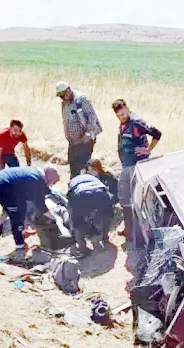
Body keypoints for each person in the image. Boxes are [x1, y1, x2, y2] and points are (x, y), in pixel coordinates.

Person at [112, 99, 161, 266]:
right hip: (126, 166)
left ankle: (137, 238)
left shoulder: (136, 122)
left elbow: (157, 133)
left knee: (135, 202)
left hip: (136, 167)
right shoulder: (124, 124)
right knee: (125, 200)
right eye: (118, 115)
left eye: (123, 113)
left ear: (127, 108)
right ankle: (128, 230)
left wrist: (148, 150)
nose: (121, 116)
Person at [0, 165, 59, 262]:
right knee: (16, 217)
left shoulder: (35, 173)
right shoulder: (37, 181)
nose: (50, 185)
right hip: (3, 187)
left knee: (21, 208)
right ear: (49, 178)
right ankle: (20, 248)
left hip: (0, 180)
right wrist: (52, 217)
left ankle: (20, 234)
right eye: (52, 183)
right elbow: (40, 204)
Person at [56, 81, 102, 178]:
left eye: (62, 95)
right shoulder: (64, 103)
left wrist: (88, 134)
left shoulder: (81, 99)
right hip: (73, 142)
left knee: (82, 167)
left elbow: (92, 117)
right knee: (73, 165)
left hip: (85, 140)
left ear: (68, 91)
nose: (62, 98)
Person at [67, 172, 115, 253]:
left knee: (77, 221)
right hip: (100, 191)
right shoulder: (91, 177)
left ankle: (82, 246)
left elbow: (70, 200)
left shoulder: (72, 182)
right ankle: (105, 237)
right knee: (107, 214)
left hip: (81, 194)